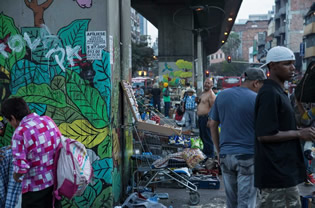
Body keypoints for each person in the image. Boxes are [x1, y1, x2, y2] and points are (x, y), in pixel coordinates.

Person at [254, 46, 315, 208]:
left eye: (293, 63)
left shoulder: (280, 92)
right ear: (272, 66)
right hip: (275, 174)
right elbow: (264, 135)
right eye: (287, 64)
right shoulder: (269, 93)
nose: (293, 68)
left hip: (284, 172)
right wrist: (299, 134)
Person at [209, 67, 266, 208]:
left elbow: (212, 124)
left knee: (232, 202)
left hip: (225, 156)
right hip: (248, 156)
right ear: (256, 83)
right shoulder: (257, 99)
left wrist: (218, 151)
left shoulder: (222, 95)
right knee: (246, 203)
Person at [1, 97, 62, 208]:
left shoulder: (20, 133)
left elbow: (21, 168)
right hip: (53, 184)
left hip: (35, 190)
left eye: (9, 121)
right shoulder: (47, 120)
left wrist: (15, 177)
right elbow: (58, 144)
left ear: (13, 118)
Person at [196, 78, 216, 158]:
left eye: (208, 83)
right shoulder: (203, 93)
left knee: (207, 138)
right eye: (205, 82)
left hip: (206, 118)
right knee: (202, 137)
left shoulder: (211, 94)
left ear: (212, 85)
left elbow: (213, 108)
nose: (206, 84)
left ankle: (210, 157)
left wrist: (210, 119)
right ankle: (205, 155)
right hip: (201, 118)